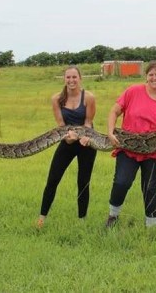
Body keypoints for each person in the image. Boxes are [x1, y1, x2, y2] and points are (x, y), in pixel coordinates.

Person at [105, 60, 156, 228]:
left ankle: (151, 226)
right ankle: (113, 216)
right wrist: (110, 131)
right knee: (122, 182)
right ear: (146, 77)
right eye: (151, 74)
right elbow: (115, 110)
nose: (154, 78)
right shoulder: (133, 91)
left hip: (155, 150)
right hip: (129, 146)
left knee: (150, 187)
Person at [37, 66, 97, 228]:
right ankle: (42, 218)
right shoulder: (56, 99)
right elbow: (61, 125)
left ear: (80, 78)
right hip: (67, 140)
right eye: (68, 77)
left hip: (87, 142)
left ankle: (82, 220)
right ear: (64, 79)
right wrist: (69, 139)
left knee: (83, 181)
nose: (71, 80)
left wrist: (85, 137)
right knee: (53, 179)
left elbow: (88, 123)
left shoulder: (89, 97)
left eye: (74, 77)